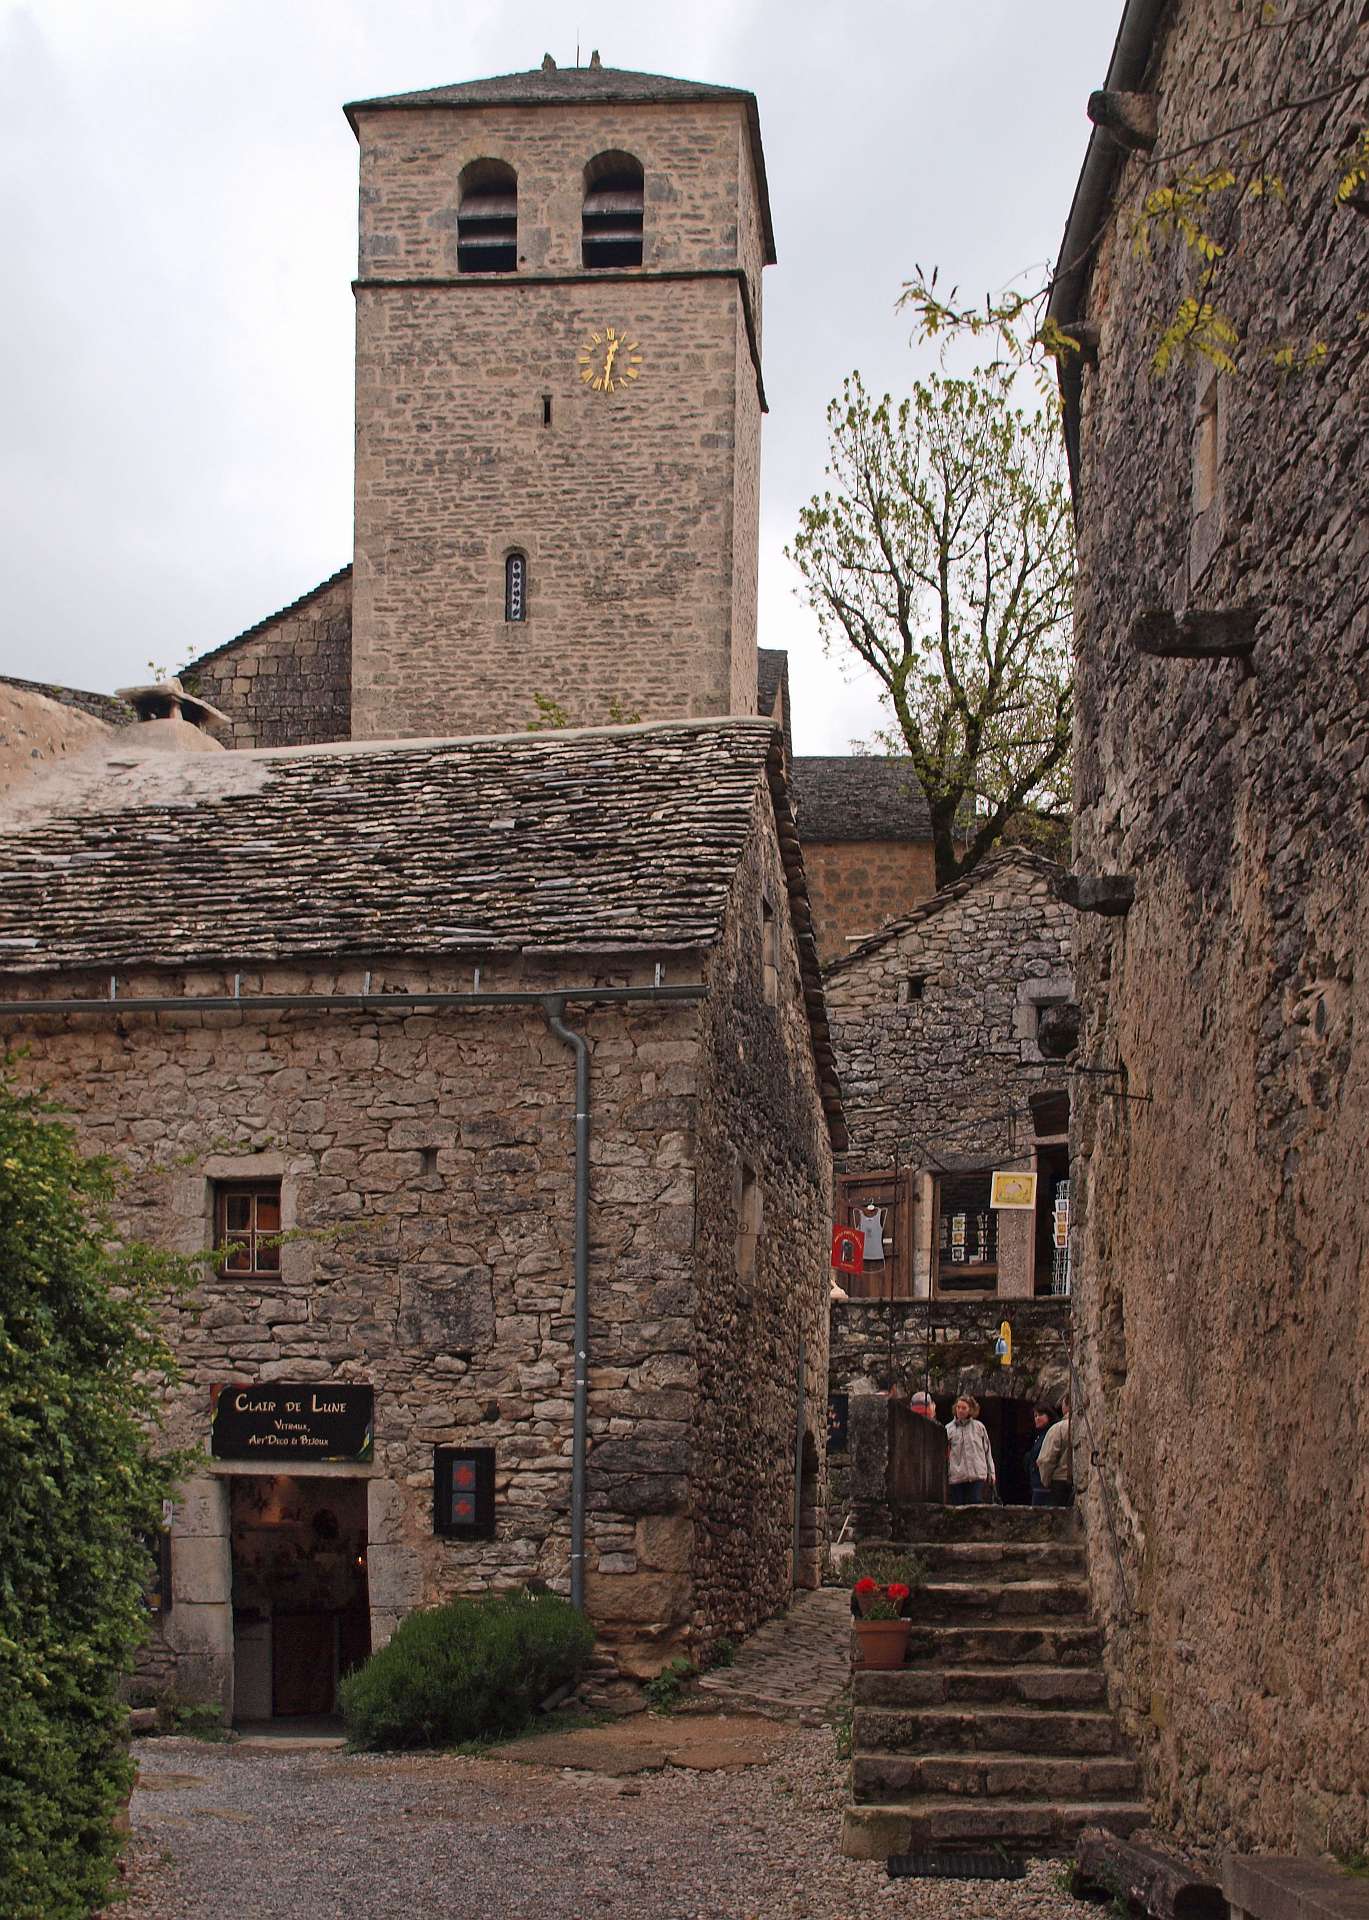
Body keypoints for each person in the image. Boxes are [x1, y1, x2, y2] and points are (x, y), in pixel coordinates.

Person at [945, 1395, 996, 1504]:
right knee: (958, 1506)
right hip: (957, 1475)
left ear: (970, 1410)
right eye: (958, 1407)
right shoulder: (949, 1429)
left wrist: (991, 1472)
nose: (960, 1410)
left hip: (976, 1474)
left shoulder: (979, 1427)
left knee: (975, 1502)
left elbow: (987, 1451)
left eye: (964, 1408)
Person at [1037, 1397, 1074, 1507]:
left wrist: (1045, 1480)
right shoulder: (1081, 1425)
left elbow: (1046, 1459)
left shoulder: (1058, 1428)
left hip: (1059, 1481)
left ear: (1066, 1406)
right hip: (1077, 1482)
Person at [1025, 1405, 1054, 1507]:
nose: (1037, 1418)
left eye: (1040, 1415)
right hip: (1036, 1483)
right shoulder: (1039, 1436)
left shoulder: (1050, 1433)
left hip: (1044, 1483)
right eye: (1035, 1416)